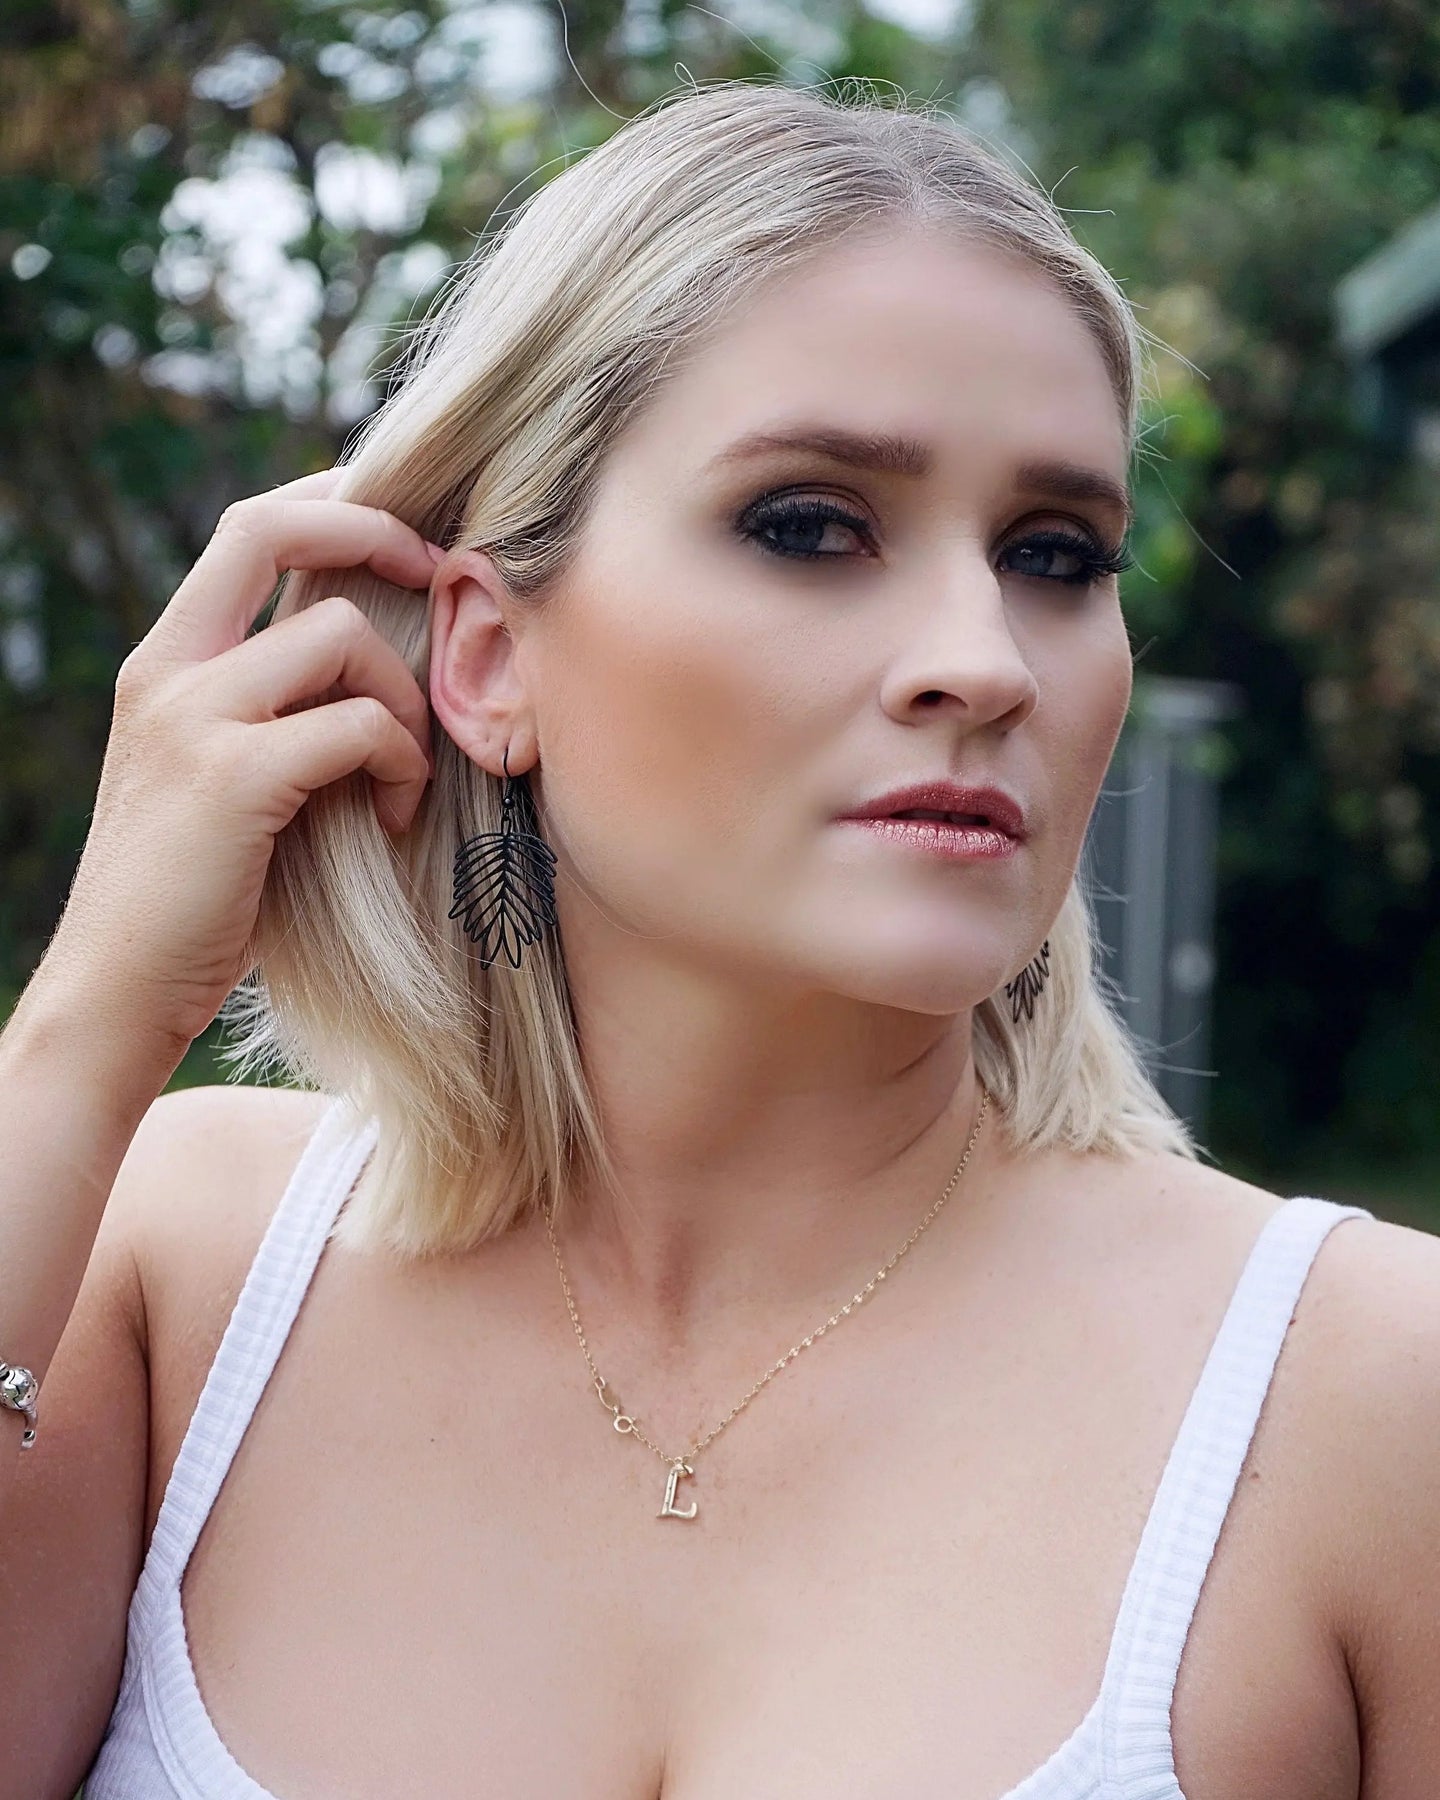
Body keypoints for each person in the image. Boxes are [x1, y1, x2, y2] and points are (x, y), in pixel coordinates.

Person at [2, 75, 1438, 1800]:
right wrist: (87, 1026)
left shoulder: (1363, 1395)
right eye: (811, 526)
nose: (985, 660)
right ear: (487, 659)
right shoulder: (174, 1278)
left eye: (1058, 554)